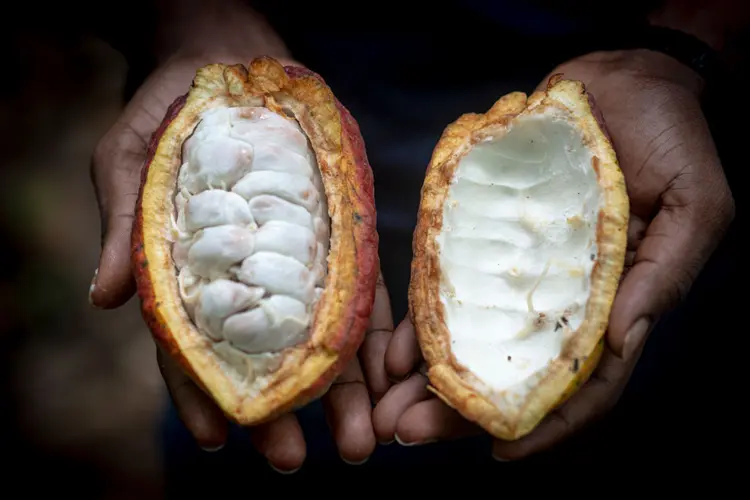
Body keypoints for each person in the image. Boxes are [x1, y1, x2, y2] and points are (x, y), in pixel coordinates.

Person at [89, 0, 741, 485]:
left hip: (627, 101)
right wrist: (188, 13)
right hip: (323, 45)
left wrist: (681, 46)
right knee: (261, 456)